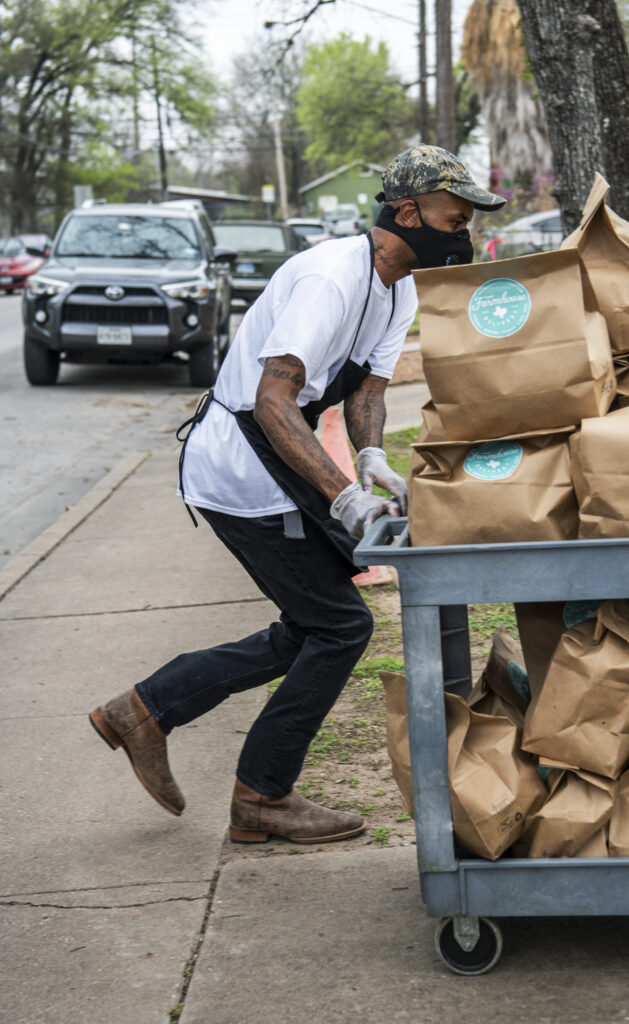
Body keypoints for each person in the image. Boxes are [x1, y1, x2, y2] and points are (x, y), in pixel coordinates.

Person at [88, 144, 505, 845]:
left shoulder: (399, 285)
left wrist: (370, 454)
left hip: (278, 455)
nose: (463, 226)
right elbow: (273, 401)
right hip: (242, 464)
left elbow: (369, 386)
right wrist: (343, 496)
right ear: (408, 212)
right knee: (339, 626)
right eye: (452, 212)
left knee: (313, 625)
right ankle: (259, 797)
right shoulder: (329, 279)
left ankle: (145, 709)